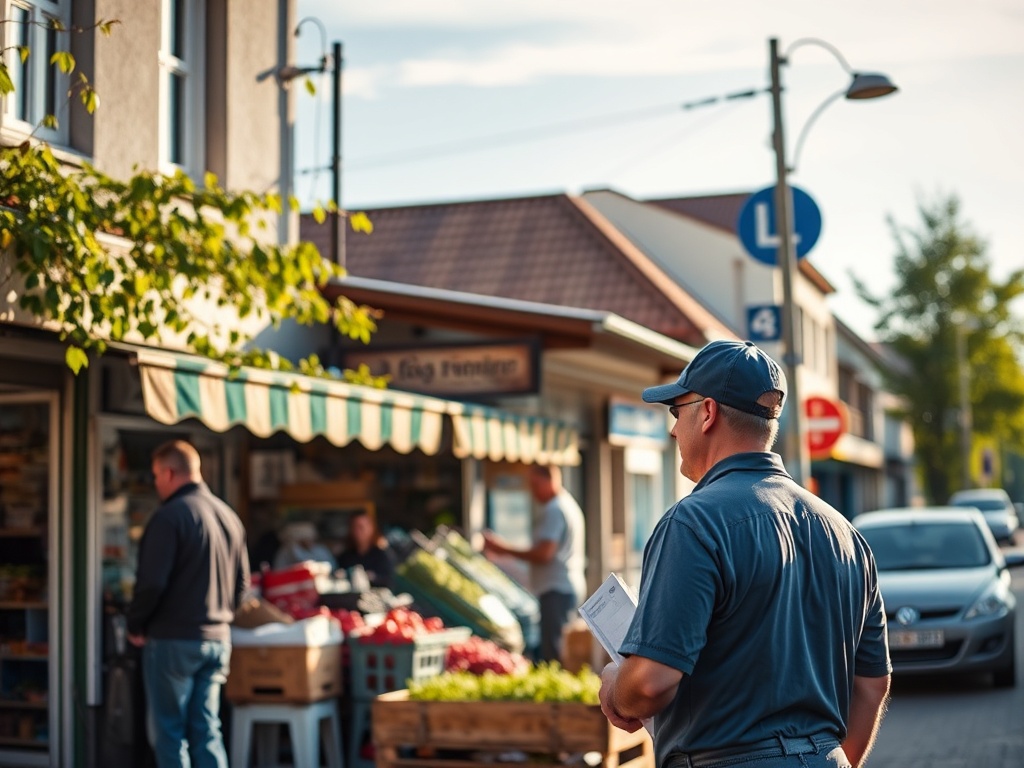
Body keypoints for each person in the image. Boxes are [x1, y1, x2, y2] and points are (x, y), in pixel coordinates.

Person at [599, 340, 891, 768]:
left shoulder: (693, 524)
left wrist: (613, 684)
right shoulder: (846, 534)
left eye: (676, 412)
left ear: (708, 412)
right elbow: (872, 684)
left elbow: (649, 685)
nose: (674, 429)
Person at [126, 440, 250, 768]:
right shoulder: (228, 516)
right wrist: (221, 618)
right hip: (217, 639)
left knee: (169, 732)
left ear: (169, 472)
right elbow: (242, 586)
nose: (155, 483)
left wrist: (135, 624)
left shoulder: (169, 518)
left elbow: (151, 583)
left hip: (173, 641)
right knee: (207, 729)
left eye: (155, 476)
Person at [482, 463, 586, 663]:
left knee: (554, 653)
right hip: (563, 585)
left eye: (535, 484)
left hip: (556, 587)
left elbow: (544, 553)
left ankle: (558, 693)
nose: (533, 491)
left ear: (550, 480)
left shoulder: (554, 509)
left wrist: (503, 549)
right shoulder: (566, 504)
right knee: (558, 648)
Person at [336, 509, 395, 589]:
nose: (358, 531)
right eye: (355, 527)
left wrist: (372, 578)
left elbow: (389, 582)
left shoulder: (382, 556)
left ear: (371, 528)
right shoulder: (345, 557)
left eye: (361, 527)